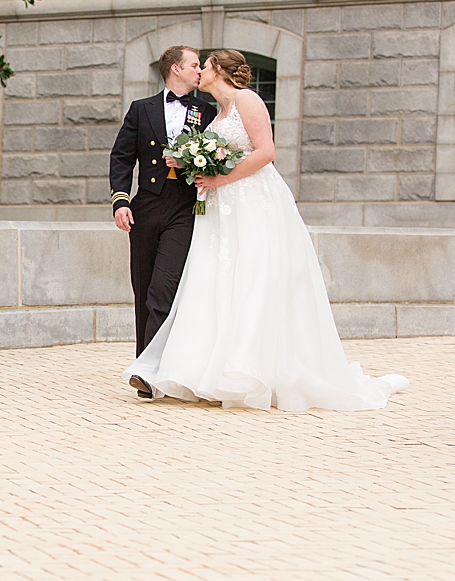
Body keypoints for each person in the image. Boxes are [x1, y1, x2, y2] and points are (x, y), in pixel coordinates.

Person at [123, 49, 408, 411]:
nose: (200, 71)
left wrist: (220, 177)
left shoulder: (247, 100)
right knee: (214, 283)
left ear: (219, 72)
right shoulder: (216, 114)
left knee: (253, 280)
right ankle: (206, 371)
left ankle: (253, 371)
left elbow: (266, 151)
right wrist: (187, 162)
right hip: (219, 209)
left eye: (205, 65)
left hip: (251, 202)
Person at [109, 46, 214, 395]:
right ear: (174, 69)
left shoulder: (205, 110)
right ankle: (145, 372)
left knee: (162, 288)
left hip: (184, 208)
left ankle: (155, 371)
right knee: (143, 290)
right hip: (146, 207)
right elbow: (122, 157)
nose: (199, 70)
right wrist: (120, 202)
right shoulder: (142, 109)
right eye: (194, 65)